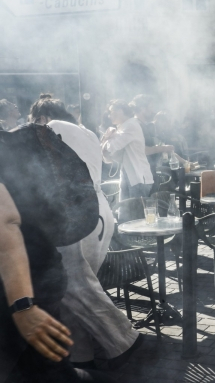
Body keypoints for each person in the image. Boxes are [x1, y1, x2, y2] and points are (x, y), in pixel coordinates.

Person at [30, 95, 142, 369]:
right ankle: (81, 358)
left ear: (43, 116)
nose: (32, 126)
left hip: (75, 213)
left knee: (73, 284)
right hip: (99, 210)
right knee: (72, 292)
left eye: (34, 120)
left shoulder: (52, 127)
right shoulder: (87, 131)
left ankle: (126, 340)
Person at [101, 99, 154, 201]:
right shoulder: (123, 126)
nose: (109, 116)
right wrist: (107, 138)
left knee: (137, 216)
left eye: (111, 112)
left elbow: (112, 146)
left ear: (120, 111)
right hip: (129, 176)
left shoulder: (130, 125)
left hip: (138, 178)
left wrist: (107, 138)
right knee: (124, 215)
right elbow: (107, 155)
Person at [129, 95, 174, 194]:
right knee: (142, 207)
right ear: (142, 108)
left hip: (148, 172)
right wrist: (163, 148)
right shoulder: (137, 125)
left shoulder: (143, 125)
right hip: (140, 176)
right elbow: (144, 150)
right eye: (150, 107)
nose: (153, 110)